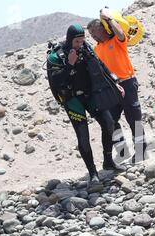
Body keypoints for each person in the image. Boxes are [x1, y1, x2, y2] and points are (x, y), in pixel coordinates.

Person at [47, 24, 125, 184]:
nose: (80, 44)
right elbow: (56, 82)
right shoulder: (56, 57)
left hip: (91, 95)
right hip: (72, 99)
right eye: (77, 41)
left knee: (109, 124)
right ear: (70, 40)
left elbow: (100, 65)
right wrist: (70, 64)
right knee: (83, 137)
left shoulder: (86, 48)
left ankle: (108, 161)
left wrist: (114, 81)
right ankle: (93, 173)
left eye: (82, 40)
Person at [87, 9, 148, 164]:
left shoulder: (117, 40)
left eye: (95, 31)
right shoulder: (97, 49)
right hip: (111, 88)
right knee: (111, 121)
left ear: (103, 28)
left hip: (127, 83)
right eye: (91, 34)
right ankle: (122, 152)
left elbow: (121, 33)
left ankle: (141, 151)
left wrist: (108, 19)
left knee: (134, 118)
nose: (93, 36)